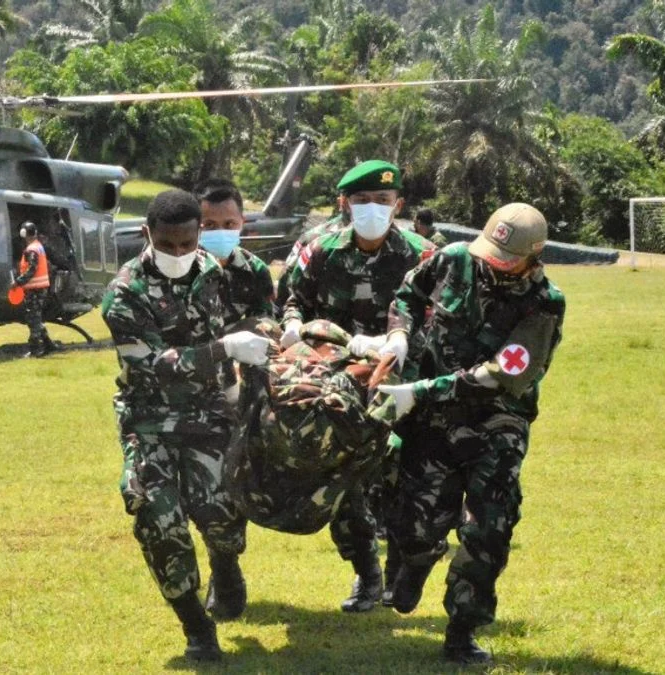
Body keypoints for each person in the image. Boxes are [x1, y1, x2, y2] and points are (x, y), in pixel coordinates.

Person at [377, 202, 565, 664]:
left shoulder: (544, 303)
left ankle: (461, 631)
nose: (492, 263)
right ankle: (415, 562)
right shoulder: (453, 258)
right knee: (418, 522)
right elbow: (407, 295)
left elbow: (501, 375)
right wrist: (399, 335)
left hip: (497, 422)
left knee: (489, 528)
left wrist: (420, 390)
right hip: (431, 423)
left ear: (533, 257)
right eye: (491, 251)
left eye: (506, 258)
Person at [101, 189, 273, 662]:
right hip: (149, 421)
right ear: (147, 235)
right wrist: (225, 350)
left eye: (186, 244)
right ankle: (197, 627)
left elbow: (234, 329)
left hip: (210, 415)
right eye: (167, 245)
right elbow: (155, 363)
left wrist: (250, 361)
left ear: (199, 234)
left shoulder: (213, 274)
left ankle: (226, 562)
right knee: (158, 519)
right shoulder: (123, 294)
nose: (178, 254)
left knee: (221, 516)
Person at [280, 159, 432, 613]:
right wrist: (293, 328)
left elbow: (442, 319)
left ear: (398, 204)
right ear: (344, 203)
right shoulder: (319, 248)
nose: (372, 209)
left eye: (382, 201)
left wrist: (398, 342)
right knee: (343, 479)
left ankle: (402, 569)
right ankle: (367, 572)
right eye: (362, 201)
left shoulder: (422, 255)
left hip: (401, 381)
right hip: (336, 383)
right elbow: (291, 301)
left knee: (402, 476)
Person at [194, 179, 276, 329]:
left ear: (242, 223)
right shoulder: (180, 267)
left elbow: (264, 323)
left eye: (229, 224)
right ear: (195, 225)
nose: (220, 232)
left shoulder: (255, 270)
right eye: (209, 225)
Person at [13, 221, 57, 357]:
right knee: (36, 317)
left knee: (33, 318)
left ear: (24, 234)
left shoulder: (32, 249)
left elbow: (32, 269)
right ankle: (48, 345)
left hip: (34, 289)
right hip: (39, 288)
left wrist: (18, 282)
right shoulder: (38, 247)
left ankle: (35, 349)